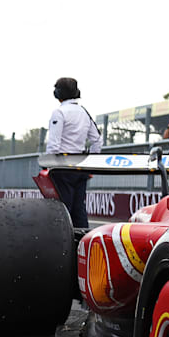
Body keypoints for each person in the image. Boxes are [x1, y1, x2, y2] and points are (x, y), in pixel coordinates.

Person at [45, 77, 104, 228]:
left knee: (61, 210)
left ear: (57, 93)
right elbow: (97, 140)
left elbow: (54, 144)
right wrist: (91, 165)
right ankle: (82, 246)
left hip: (62, 167)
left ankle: (61, 246)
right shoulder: (84, 112)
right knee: (79, 211)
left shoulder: (59, 112)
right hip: (81, 166)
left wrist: (48, 166)